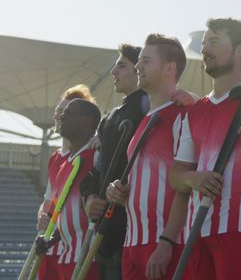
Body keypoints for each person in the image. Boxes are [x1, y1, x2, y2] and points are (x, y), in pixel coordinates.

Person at [169, 18, 241, 280]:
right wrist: (193, 178)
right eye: (203, 43)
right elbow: (177, 174)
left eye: (214, 41)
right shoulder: (195, 111)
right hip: (196, 233)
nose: (205, 49)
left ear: (240, 50)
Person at [106, 34, 190, 280]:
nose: (138, 66)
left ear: (169, 68)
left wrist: (166, 242)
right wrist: (118, 192)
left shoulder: (184, 115)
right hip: (132, 244)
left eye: (145, 60)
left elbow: (184, 187)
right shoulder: (144, 121)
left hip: (165, 246)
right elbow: (145, 181)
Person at [79, 44, 149, 280]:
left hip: (137, 232)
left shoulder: (152, 107)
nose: (114, 72)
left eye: (122, 65)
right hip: (106, 233)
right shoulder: (109, 119)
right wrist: (89, 199)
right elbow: (96, 171)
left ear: (140, 69)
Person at [36, 85, 96, 280]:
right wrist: (43, 217)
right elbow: (50, 201)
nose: (59, 116)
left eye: (66, 112)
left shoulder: (93, 154)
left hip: (81, 251)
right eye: (58, 111)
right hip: (56, 249)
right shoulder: (57, 160)